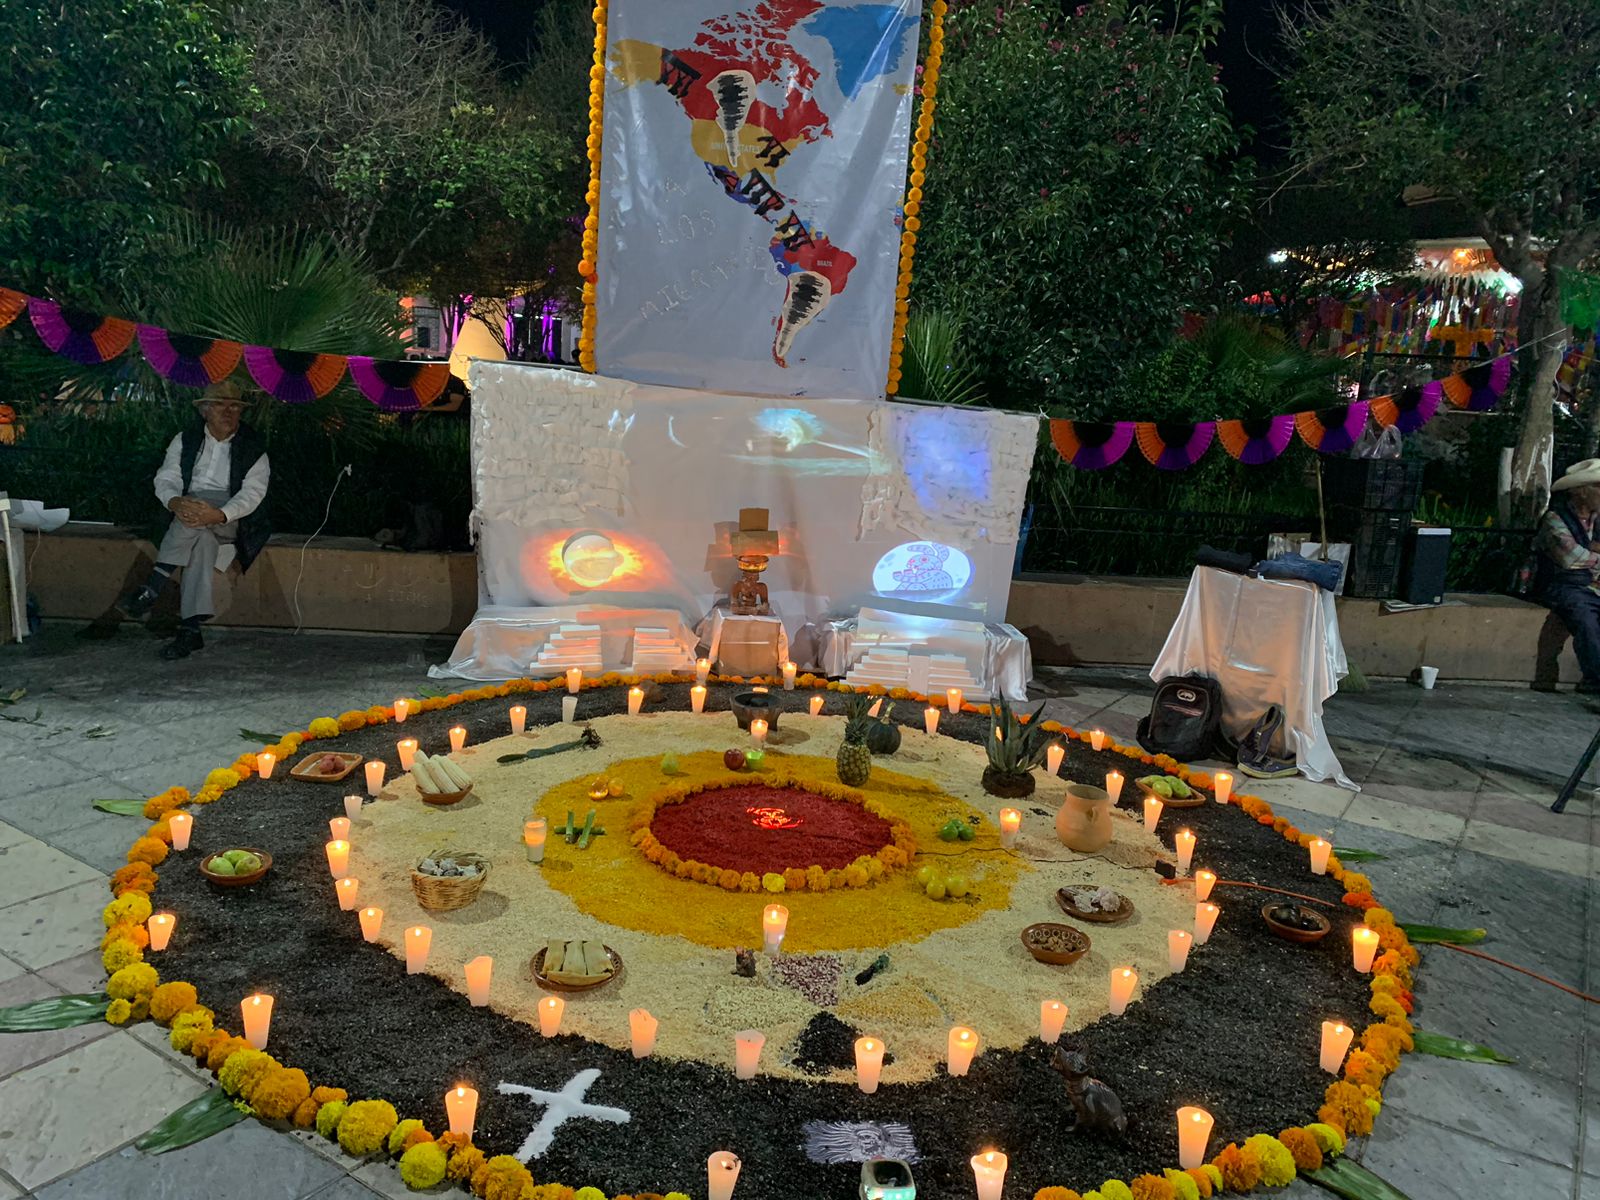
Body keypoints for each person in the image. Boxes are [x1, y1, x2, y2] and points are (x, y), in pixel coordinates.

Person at [119, 379, 271, 659]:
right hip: (190, 509)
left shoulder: (253, 447)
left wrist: (220, 514)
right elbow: (168, 476)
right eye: (220, 405)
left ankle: (153, 585)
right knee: (202, 542)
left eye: (235, 407)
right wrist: (175, 501)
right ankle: (190, 630)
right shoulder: (186, 439)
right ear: (205, 410)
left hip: (230, 516)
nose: (228, 412)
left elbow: (253, 494)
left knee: (193, 517)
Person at [1536, 458, 1600, 693]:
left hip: (1593, 585)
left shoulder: (1597, 520)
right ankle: (1596, 680)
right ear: (1581, 492)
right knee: (1586, 619)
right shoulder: (1555, 519)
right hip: (1564, 586)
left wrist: (1591, 552)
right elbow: (1570, 558)